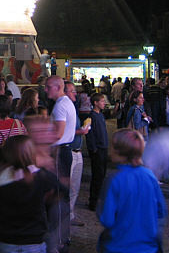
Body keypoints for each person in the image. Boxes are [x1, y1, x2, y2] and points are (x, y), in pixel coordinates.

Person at [98, 128, 167, 253]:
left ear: (118, 151)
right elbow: (161, 210)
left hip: (119, 246)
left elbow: (107, 219)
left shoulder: (114, 180)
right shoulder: (150, 176)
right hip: (148, 247)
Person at [0, 135, 60, 253]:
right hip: (34, 240)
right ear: (31, 153)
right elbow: (63, 190)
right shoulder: (42, 177)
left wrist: (5, 151)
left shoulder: (0, 176)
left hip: (8, 241)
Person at [45, 75, 76, 252]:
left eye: (48, 87)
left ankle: (57, 239)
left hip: (59, 152)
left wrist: (39, 138)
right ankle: (63, 236)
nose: (46, 90)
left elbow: (58, 133)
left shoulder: (61, 106)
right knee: (61, 195)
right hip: (64, 151)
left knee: (57, 196)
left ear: (57, 87)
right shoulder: (65, 103)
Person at [64, 81, 89, 227]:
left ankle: (70, 213)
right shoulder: (63, 108)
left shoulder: (73, 107)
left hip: (78, 151)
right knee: (68, 186)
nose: (76, 94)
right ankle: (64, 215)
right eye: (73, 91)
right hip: (70, 151)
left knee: (75, 186)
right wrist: (81, 131)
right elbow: (63, 132)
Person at [85, 93, 108, 211]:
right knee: (97, 176)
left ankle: (99, 198)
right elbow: (89, 133)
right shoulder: (92, 116)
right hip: (97, 149)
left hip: (103, 148)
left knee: (102, 175)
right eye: (102, 101)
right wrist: (93, 148)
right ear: (95, 102)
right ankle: (93, 201)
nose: (104, 103)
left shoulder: (101, 115)